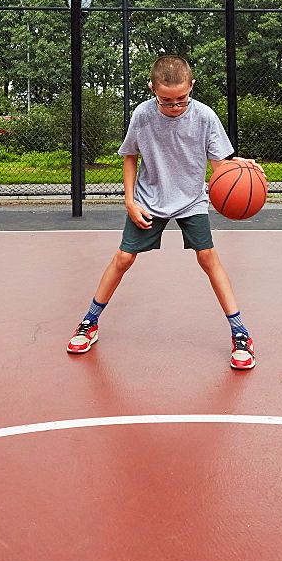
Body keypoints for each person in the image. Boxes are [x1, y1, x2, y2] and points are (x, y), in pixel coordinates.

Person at [67, 54, 261, 369]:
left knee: (208, 259)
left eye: (182, 99)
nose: (175, 106)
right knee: (123, 259)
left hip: (190, 199)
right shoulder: (142, 115)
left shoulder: (204, 116)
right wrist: (129, 201)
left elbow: (220, 167)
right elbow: (130, 156)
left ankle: (241, 334)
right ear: (152, 89)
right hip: (149, 197)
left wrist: (240, 165)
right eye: (167, 100)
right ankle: (89, 323)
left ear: (192, 87)